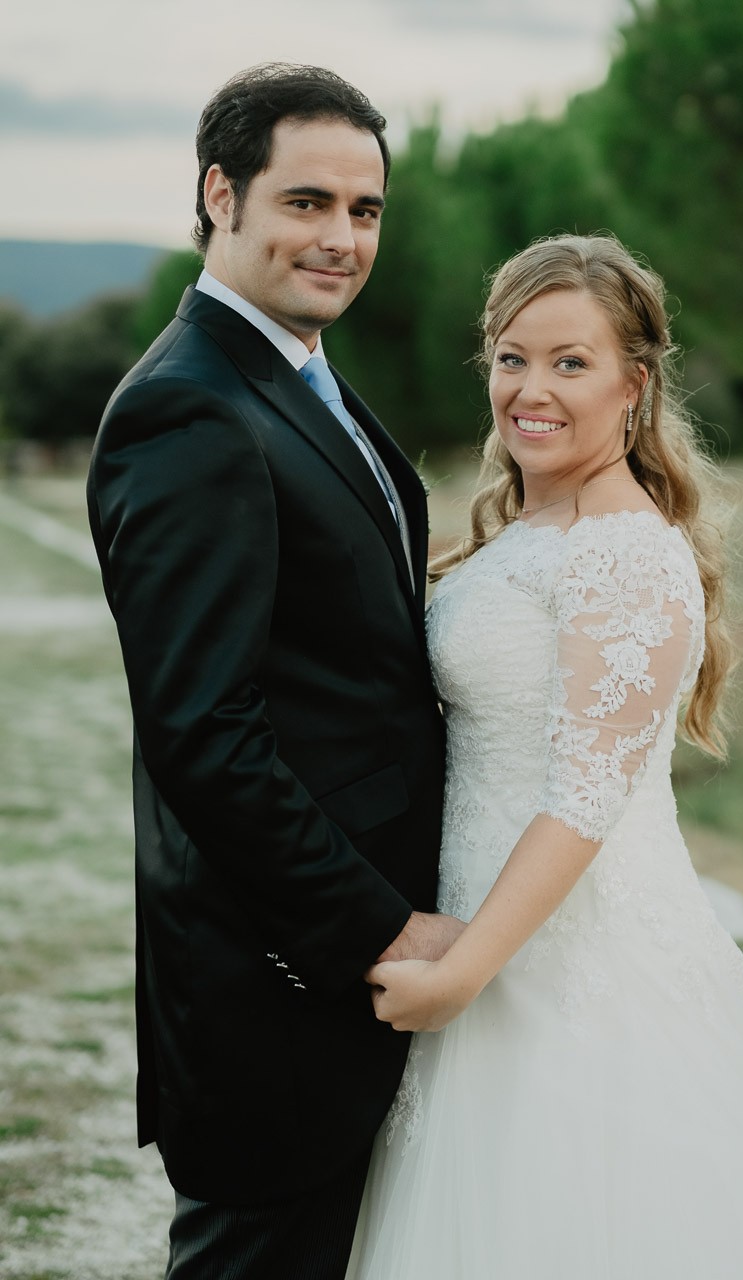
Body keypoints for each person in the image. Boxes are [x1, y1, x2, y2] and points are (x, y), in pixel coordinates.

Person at [347, 233, 743, 1278]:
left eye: (569, 362)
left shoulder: (622, 547)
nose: (530, 389)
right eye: (510, 356)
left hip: (573, 970)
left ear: (634, 383)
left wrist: (465, 974)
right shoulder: (533, 527)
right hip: (481, 932)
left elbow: (584, 796)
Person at [87, 63, 462, 1280]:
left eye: (364, 210)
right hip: (281, 979)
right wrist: (377, 930)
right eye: (306, 202)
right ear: (220, 194)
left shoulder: (295, 376)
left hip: (345, 973)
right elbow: (204, 730)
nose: (341, 238)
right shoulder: (190, 411)